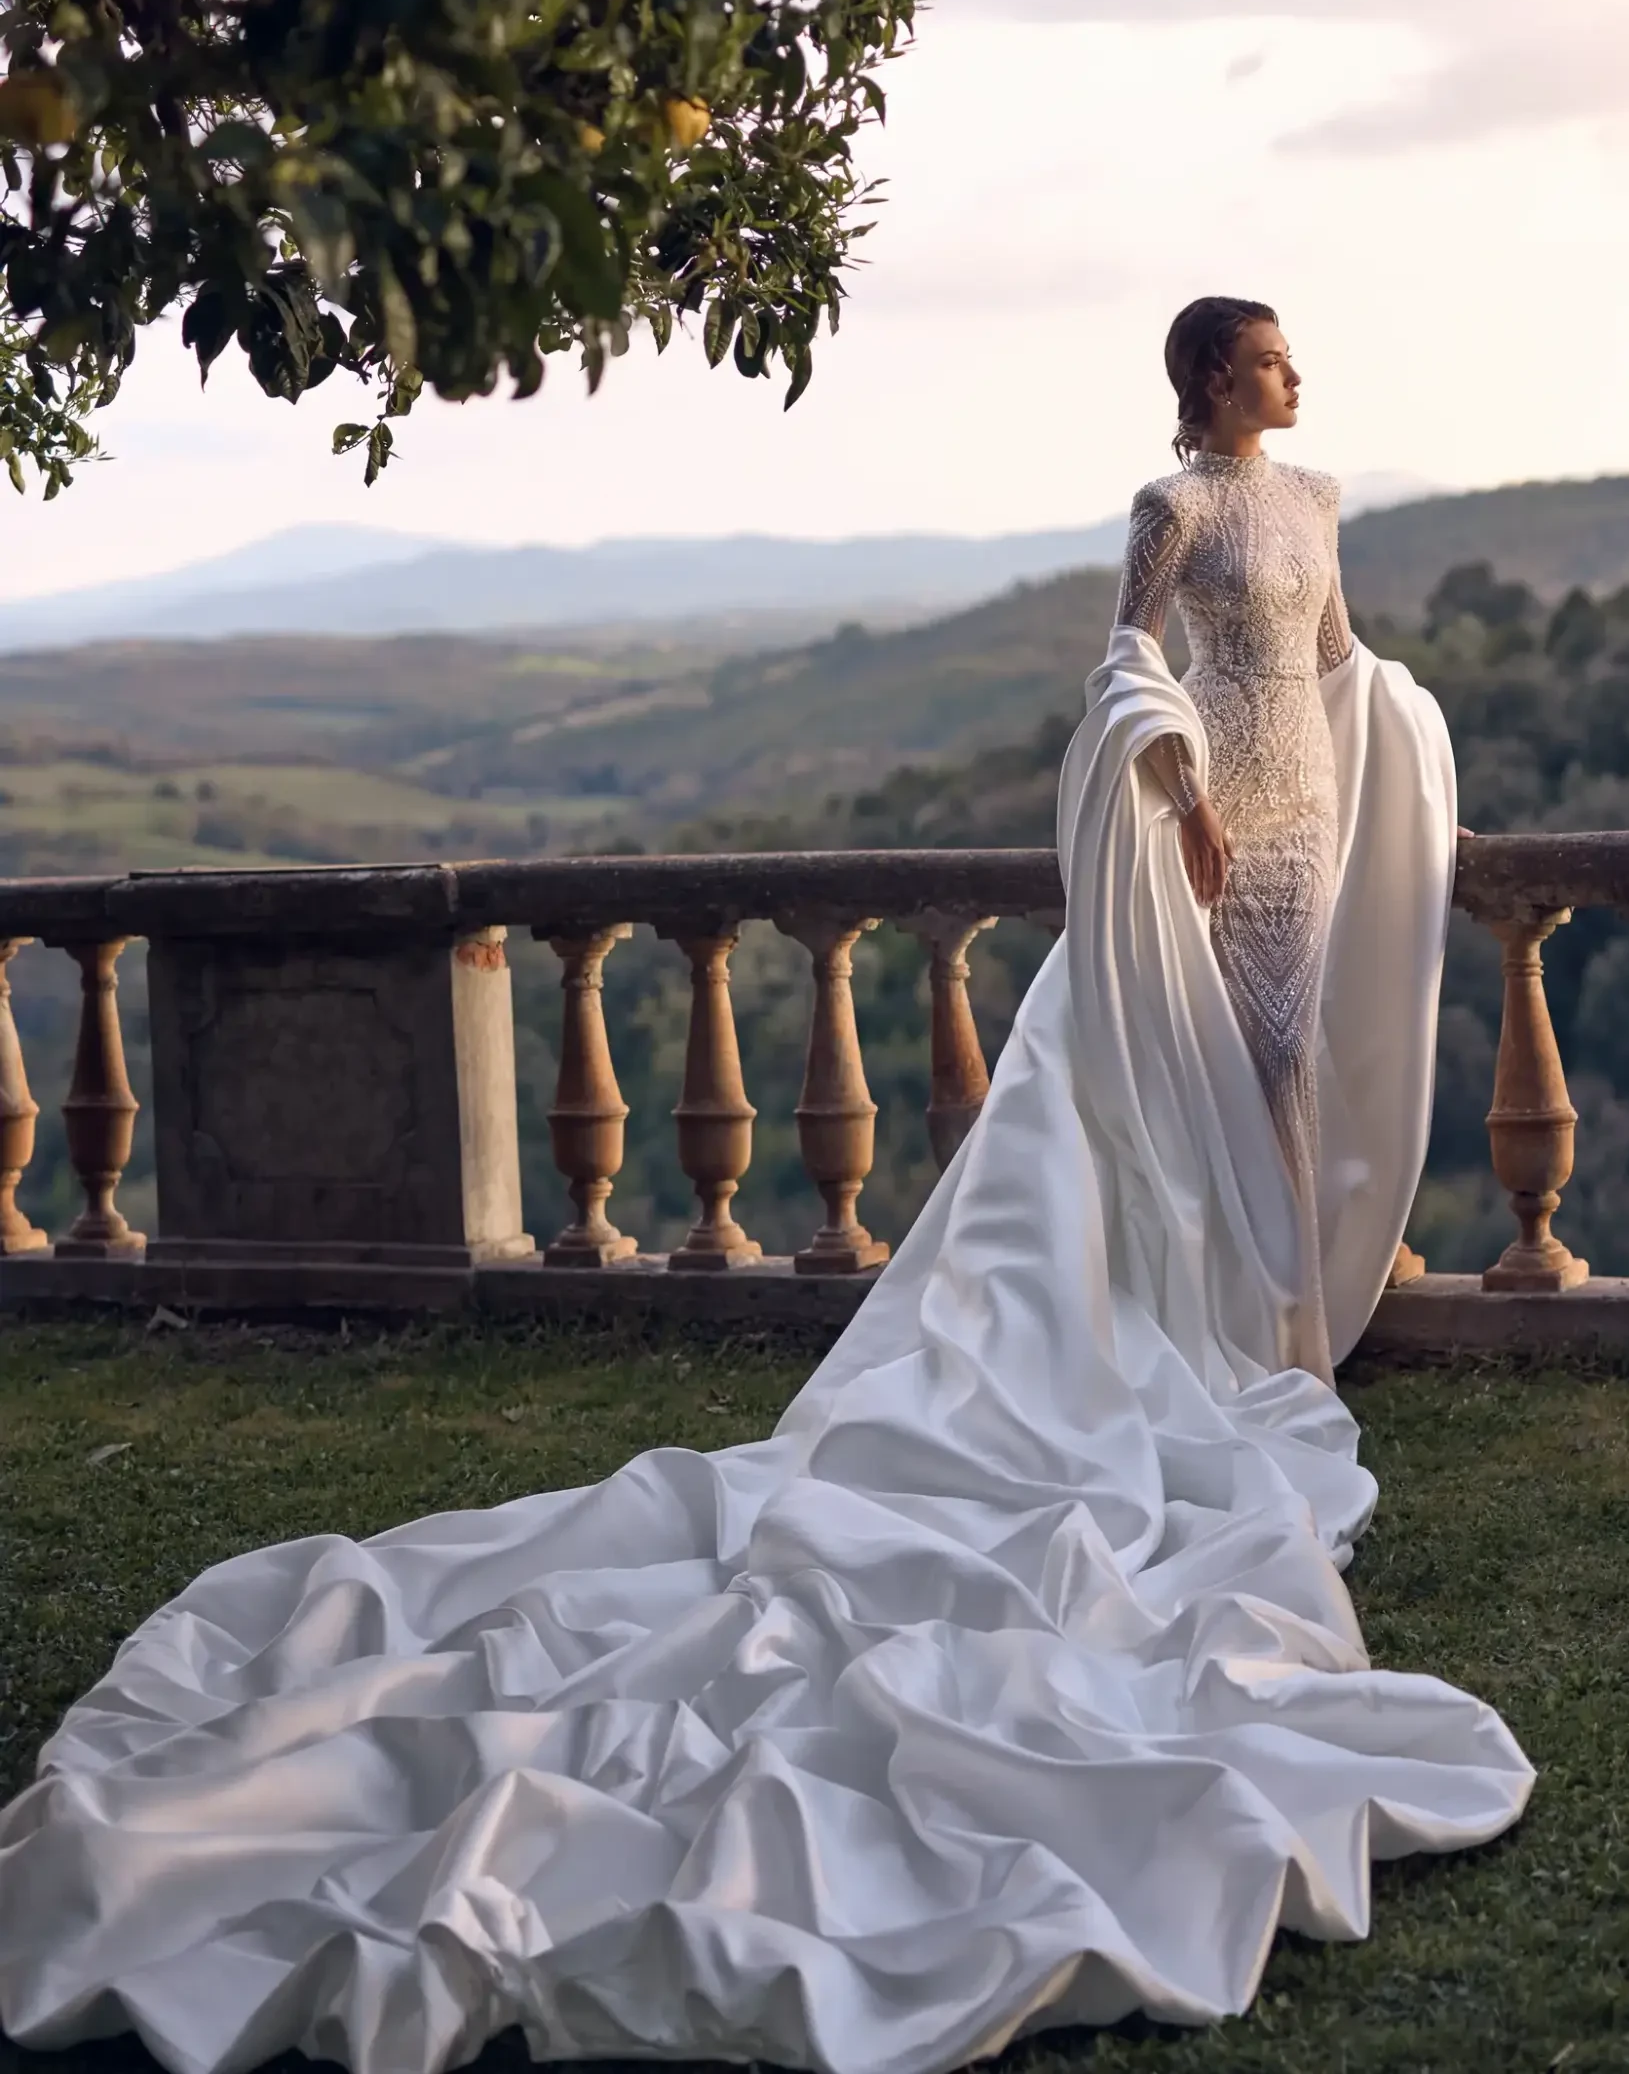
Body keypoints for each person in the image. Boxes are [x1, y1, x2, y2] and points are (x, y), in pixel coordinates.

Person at [0, 296, 1531, 2074]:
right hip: (1214, 823)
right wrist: (1176, 786)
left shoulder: (1317, 499)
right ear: (1210, 380)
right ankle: (1248, 1345)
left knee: (1285, 1082)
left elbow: (1343, 664)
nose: (1293, 375)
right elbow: (1124, 666)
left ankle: (1284, 1338)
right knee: (1218, 1087)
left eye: (1289, 358)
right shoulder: (1169, 510)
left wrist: (1396, 773)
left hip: (1310, 818)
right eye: (1267, 356)